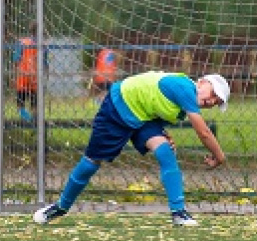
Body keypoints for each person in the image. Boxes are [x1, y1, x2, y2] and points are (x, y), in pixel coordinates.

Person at [33, 70, 230, 227]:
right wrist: (219, 156)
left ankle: (179, 213)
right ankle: (61, 207)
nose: (211, 102)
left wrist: (161, 133)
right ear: (202, 82)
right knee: (92, 161)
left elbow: (153, 105)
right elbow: (204, 132)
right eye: (214, 94)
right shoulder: (186, 88)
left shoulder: (182, 107)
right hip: (118, 109)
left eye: (216, 103)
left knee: (165, 151)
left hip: (141, 117)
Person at [13, 28, 38, 122]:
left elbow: (16, 60)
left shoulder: (21, 42)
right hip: (35, 77)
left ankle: (27, 119)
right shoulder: (42, 45)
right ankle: (34, 120)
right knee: (35, 103)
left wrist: (14, 74)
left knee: (20, 104)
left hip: (22, 76)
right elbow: (44, 63)